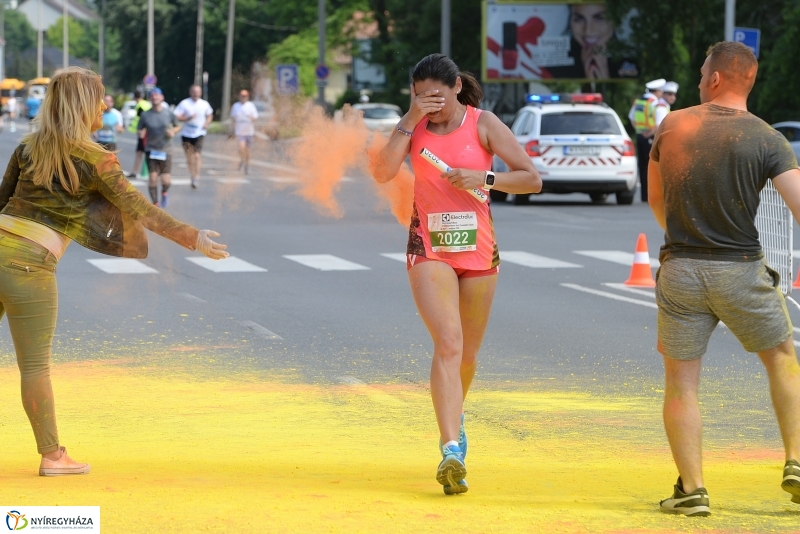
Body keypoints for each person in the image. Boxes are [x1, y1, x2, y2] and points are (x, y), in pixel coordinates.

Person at [0, 67, 228, 476]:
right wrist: (193, 238)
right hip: (28, 265)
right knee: (34, 366)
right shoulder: (96, 159)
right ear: (84, 105)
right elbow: (140, 209)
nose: (105, 104)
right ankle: (53, 456)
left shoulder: (28, 148)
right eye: (100, 97)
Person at [372, 53, 540, 495]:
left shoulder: (483, 124)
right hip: (429, 248)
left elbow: (531, 178)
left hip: (479, 251)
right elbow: (382, 171)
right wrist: (409, 118)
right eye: (422, 97)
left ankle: (456, 417)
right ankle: (450, 448)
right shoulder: (413, 129)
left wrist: (484, 177)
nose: (432, 106)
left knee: (466, 354)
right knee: (448, 342)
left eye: (438, 98)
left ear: (456, 90)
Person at [648, 41, 800, 516]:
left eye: (700, 72)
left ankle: (692, 490)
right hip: (740, 269)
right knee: (781, 359)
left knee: (682, 382)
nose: (697, 79)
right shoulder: (769, 138)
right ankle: (796, 460)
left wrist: (685, 234)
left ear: (715, 78)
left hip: (682, 271)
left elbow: (657, 202)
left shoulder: (673, 125)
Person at [138, 88, 179, 207]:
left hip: (166, 149)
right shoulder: (145, 115)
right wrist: (141, 133)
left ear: (162, 97)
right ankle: (155, 203)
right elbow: (140, 128)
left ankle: (164, 192)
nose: (154, 97)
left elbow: (177, 126)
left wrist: (173, 131)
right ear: (150, 98)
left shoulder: (168, 113)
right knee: (153, 178)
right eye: (152, 96)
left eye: (157, 95)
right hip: (151, 149)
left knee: (166, 180)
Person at [628, 78, 664, 202]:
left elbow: (631, 118)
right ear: (657, 91)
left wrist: (639, 131)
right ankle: (652, 196)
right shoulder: (654, 103)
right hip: (650, 137)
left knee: (642, 166)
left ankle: (644, 196)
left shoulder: (638, 102)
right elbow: (659, 123)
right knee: (652, 167)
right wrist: (648, 133)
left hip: (639, 136)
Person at [174, 85, 213, 189]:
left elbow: (210, 114)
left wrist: (207, 123)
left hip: (199, 133)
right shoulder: (184, 103)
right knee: (189, 157)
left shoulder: (204, 104)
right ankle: (192, 174)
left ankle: (196, 177)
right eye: (194, 92)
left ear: (200, 93)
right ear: (190, 92)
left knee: (197, 155)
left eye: (198, 92)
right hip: (186, 133)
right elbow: (176, 116)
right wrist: (187, 118)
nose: (196, 93)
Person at [229, 90, 258, 174]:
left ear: (247, 97)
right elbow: (233, 118)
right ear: (239, 97)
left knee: (248, 150)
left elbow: (255, 117)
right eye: (242, 96)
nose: (243, 98)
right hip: (239, 131)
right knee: (241, 148)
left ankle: (247, 165)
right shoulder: (236, 106)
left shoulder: (251, 106)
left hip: (249, 131)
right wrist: (232, 129)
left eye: (245, 96)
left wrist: (251, 117)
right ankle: (242, 159)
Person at [126, 91, 152, 179]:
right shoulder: (146, 104)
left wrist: (143, 130)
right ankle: (138, 171)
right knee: (141, 152)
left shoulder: (141, 106)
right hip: (146, 132)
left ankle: (136, 171)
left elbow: (145, 119)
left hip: (144, 133)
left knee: (141, 152)